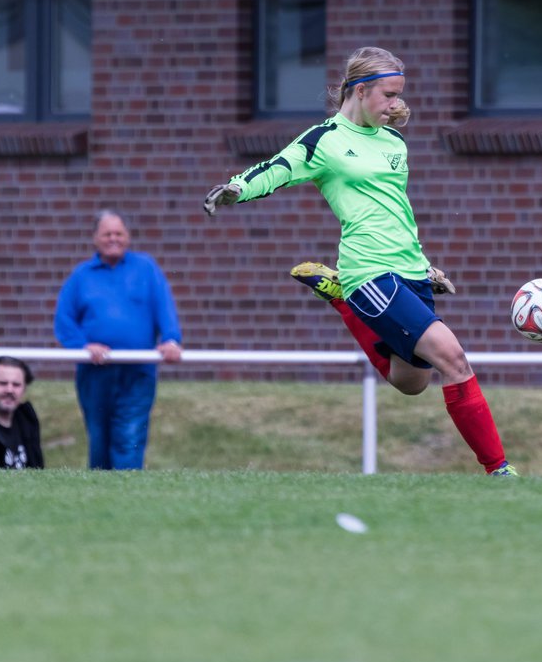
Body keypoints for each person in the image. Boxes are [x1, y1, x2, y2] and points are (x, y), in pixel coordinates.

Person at [203, 46, 518, 476]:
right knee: (453, 358)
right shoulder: (325, 140)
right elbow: (278, 167)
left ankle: (341, 303)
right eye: (388, 95)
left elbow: (394, 209)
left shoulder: (394, 142)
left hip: (409, 269)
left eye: (398, 95)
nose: (395, 105)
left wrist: (424, 268)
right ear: (360, 89)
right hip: (369, 271)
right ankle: (499, 470)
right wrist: (238, 188)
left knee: (413, 381)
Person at [54, 209, 183, 470]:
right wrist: (83, 346)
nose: (113, 238)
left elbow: (164, 308)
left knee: (129, 437)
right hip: (95, 373)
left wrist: (171, 340)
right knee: (99, 439)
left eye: (119, 233)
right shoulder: (82, 276)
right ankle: (100, 499)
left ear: (128, 237)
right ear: (95, 239)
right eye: (107, 234)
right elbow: (64, 320)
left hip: (137, 372)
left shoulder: (146, 268)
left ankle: (129, 498)